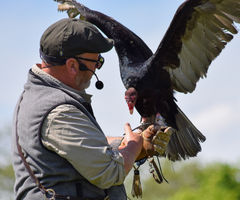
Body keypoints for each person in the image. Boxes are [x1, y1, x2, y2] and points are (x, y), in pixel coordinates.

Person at [12, 18, 166, 200]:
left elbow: (80, 146)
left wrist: (125, 141)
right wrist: (133, 146)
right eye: (96, 61)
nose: (97, 67)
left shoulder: (37, 96)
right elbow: (109, 172)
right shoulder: (59, 111)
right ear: (72, 66)